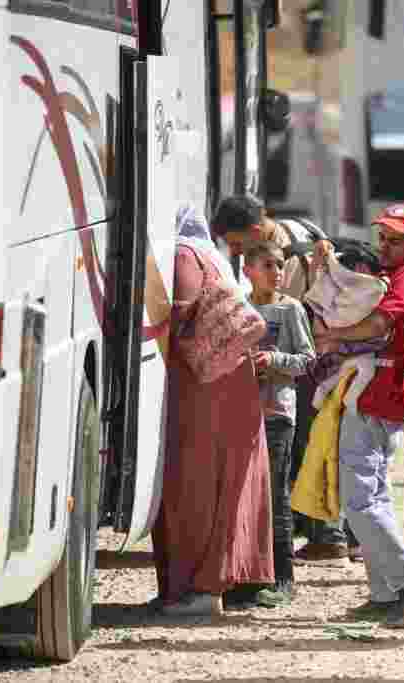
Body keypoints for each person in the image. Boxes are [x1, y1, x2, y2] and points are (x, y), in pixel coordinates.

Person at [313, 204, 404, 628]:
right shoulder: (400, 275)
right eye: (382, 236)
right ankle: (386, 595)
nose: (385, 245)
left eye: (396, 239)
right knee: (375, 499)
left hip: (379, 399)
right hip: (383, 398)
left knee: (360, 501)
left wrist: (333, 335)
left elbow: (378, 324)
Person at [212, 195, 355, 565]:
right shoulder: (301, 228)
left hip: (313, 364)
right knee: (315, 445)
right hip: (321, 359)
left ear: (257, 231)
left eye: (240, 246)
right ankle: (335, 533)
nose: (240, 257)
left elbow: (287, 326)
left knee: (312, 448)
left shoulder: (285, 264)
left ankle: (330, 536)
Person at [151, 205, 274, 617]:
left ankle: (200, 590)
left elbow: (181, 309)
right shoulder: (215, 259)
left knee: (194, 486)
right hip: (223, 384)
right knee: (209, 484)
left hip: (204, 388)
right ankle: (191, 589)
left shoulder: (185, 254)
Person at [243, 241, 316, 607]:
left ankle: (283, 576)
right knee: (246, 497)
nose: (276, 272)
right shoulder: (240, 308)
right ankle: (249, 577)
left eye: (280, 265)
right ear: (248, 271)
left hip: (277, 415)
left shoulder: (291, 310)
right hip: (243, 414)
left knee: (276, 496)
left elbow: (307, 360)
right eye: (268, 265)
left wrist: (273, 359)